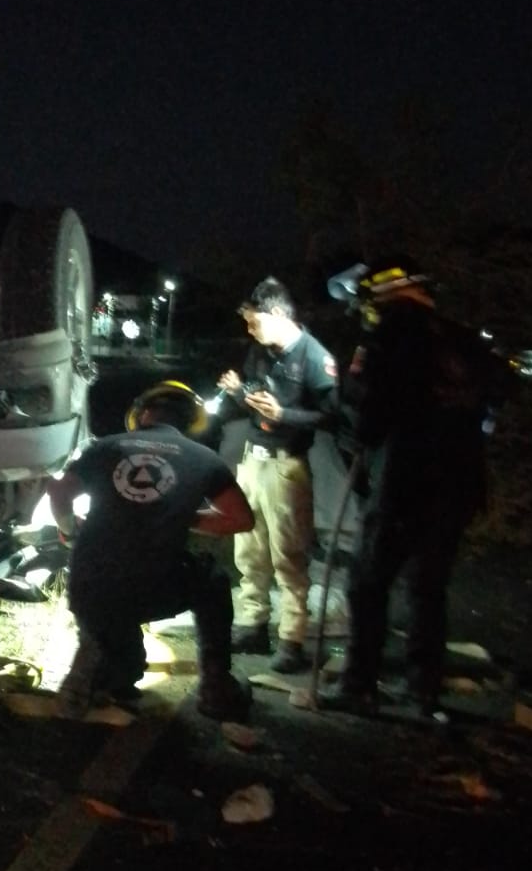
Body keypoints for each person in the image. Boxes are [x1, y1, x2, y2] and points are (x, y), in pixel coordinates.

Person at [323, 260, 505, 717]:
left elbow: (364, 409)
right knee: (428, 586)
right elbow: (499, 390)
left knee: (368, 582)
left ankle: (360, 685)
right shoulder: (461, 338)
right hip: (460, 482)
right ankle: (422, 688)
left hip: (403, 480)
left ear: (378, 298)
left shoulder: (387, 336)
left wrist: (361, 435)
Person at [48, 380, 255, 721]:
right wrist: (182, 516)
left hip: (90, 588)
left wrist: (69, 532)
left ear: (141, 414)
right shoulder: (205, 459)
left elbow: (58, 494)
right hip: (153, 588)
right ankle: (216, 686)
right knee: (213, 579)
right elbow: (241, 519)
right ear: (191, 422)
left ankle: (100, 656)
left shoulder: (104, 447)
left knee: (121, 667)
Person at [215, 277, 340, 673]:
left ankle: (292, 638)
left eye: (255, 322)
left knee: (289, 554)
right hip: (252, 461)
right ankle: (252, 624)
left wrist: (283, 415)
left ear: (278, 314)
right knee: (248, 550)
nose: (250, 330)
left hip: (287, 467)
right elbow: (257, 395)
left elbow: (333, 415)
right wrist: (241, 392)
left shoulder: (315, 356)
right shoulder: (261, 352)